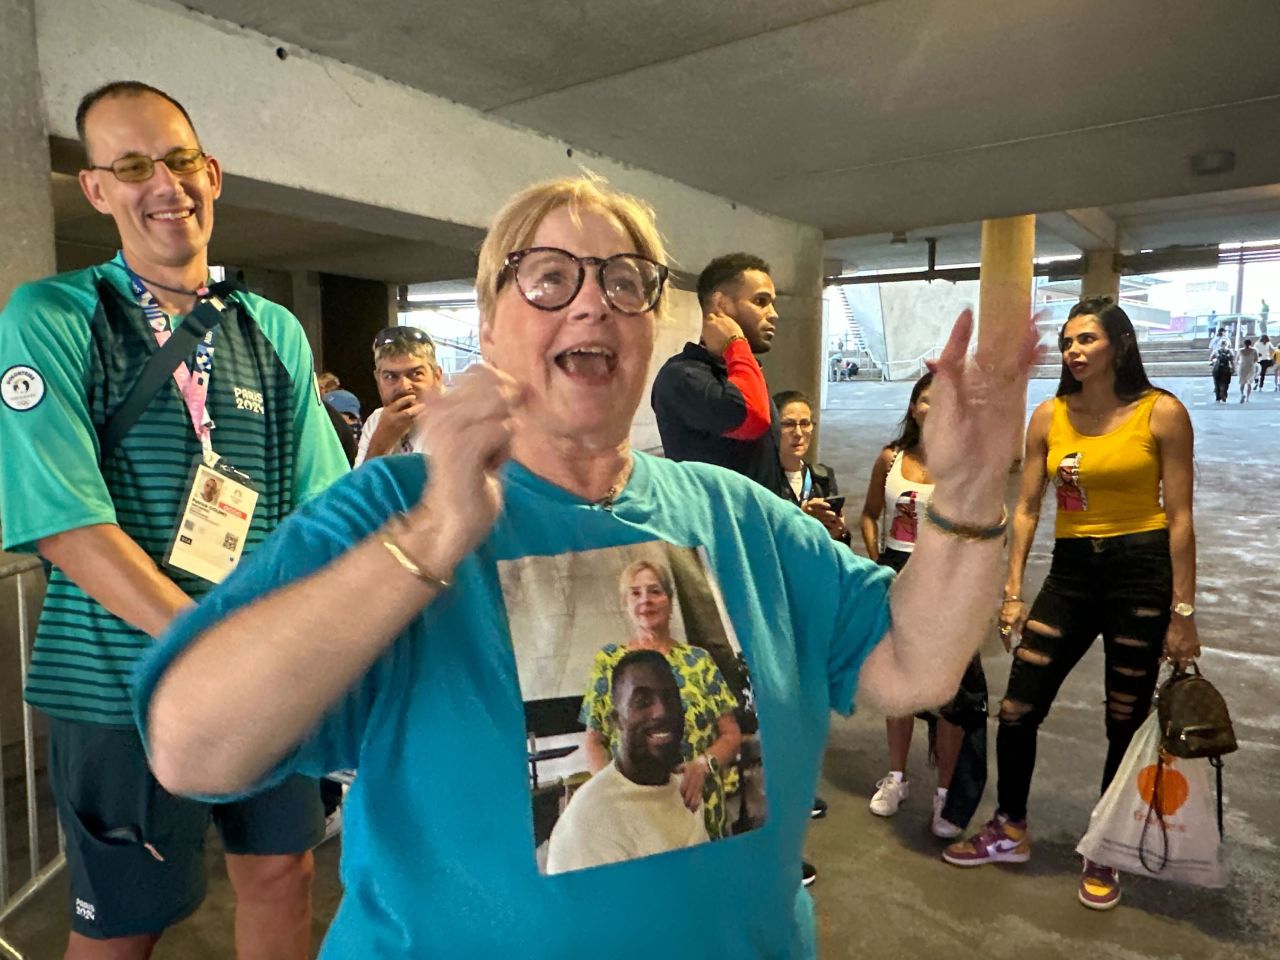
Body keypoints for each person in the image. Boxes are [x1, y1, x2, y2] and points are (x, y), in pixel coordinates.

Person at [133, 176, 1036, 958]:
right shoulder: (387, 511)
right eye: (550, 277)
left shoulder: (741, 518)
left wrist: (967, 489)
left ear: (649, 330)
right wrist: (434, 536)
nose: (592, 302)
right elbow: (191, 746)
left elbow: (915, 663)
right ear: (488, 324)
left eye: (625, 282)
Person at [0, 81, 347, 957]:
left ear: (213, 174)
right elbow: (66, 523)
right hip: (118, 680)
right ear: (98, 190)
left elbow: (320, 508)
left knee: (282, 872)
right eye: (132, 164)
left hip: (261, 673)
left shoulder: (270, 329)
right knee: (126, 924)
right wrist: (214, 640)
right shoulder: (53, 317)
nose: (166, 183)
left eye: (181, 159)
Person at [944, 298, 1198, 914]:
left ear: (1120, 344)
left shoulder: (1161, 413)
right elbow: (1027, 508)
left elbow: (1181, 518)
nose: (1073, 352)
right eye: (1066, 342)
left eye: (1086, 339)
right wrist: (1012, 593)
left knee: (1122, 717)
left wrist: (1183, 613)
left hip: (1141, 573)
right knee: (1017, 707)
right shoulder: (1049, 415)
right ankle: (1010, 826)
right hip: (1072, 571)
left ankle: (1106, 846)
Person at [858, 373, 986, 838]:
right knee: (900, 683)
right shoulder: (890, 459)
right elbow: (871, 513)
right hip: (896, 574)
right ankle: (896, 777)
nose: (935, 409)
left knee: (951, 689)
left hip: (948, 584)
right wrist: (877, 562)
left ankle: (946, 792)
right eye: (926, 401)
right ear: (914, 408)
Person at [580, 560, 741, 839]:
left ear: (670, 600)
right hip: (638, 811)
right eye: (636, 593)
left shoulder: (698, 661)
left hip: (699, 803)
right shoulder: (609, 662)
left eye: (655, 591)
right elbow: (594, 741)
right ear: (625, 604)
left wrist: (704, 765)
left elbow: (730, 734)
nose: (646, 601)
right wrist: (613, 793)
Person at [548, 651, 709, 875]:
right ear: (617, 721)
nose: (661, 711)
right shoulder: (588, 823)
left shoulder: (685, 791)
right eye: (642, 702)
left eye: (670, 698)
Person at [650, 253, 788, 497]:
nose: (773, 314)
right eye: (761, 301)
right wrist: (736, 343)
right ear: (721, 306)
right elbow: (751, 418)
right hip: (720, 533)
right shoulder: (683, 376)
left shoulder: (738, 372)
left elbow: (760, 467)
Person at [355, 326, 444, 465]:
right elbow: (360, 486)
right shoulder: (376, 420)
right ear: (378, 381)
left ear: (437, 377)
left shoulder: (461, 423)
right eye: (390, 376)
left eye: (416, 374)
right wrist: (381, 443)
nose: (404, 386)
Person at [774, 390, 848, 542]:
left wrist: (839, 533)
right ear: (773, 426)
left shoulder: (822, 477)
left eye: (805, 423)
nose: (798, 433)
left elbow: (839, 546)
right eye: (788, 424)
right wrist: (802, 517)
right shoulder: (760, 479)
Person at [1210, 337, 1234, 403]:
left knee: (1217, 383)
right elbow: (1232, 360)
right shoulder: (1230, 351)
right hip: (1226, 369)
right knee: (1226, 383)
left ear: (1220, 344)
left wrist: (1213, 361)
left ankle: (1218, 397)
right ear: (1227, 344)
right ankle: (1224, 394)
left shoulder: (1216, 351)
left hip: (1217, 369)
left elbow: (1211, 358)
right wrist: (1233, 368)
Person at [1237, 338, 1259, 403]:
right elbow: (1256, 359)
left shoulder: (1240, 350)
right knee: (1249, 383)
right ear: (1250, 343)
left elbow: (1237, 359)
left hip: (1242, 367)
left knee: (1242, 382)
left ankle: (1242, 394)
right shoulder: (1254, 350)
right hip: (1251, 367)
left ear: (1244, 344)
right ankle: (1247, 398)